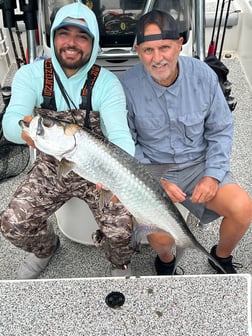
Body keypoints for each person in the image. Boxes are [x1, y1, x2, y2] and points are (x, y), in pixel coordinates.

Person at [0, 2, 136, 279]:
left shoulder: (107, 83)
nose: (71, 43)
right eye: (64, 33)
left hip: (97, 169)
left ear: (93, 42)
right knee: (13, 224)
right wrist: (26, 132)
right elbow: (12, 121)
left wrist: (115, 174)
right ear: (53, 38)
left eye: (82, 36)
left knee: (122, 229)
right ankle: (46, 248)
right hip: (52, 167)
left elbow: (120, 134)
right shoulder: (31, 75)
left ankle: (117, 262)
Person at [120, 10, 252, 275]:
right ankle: (166, 262)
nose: (157, 59)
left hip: (200, 165)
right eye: (148, 50)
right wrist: (156, 182)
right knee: (160, 236)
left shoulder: (203, 75)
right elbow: (126, 142)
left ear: (180, 44)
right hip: (153, 170)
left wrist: (213, 176)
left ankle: (220, 257)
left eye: (165, 48)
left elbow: (221, 130)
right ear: (138, 51)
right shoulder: (126, 85)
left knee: (242, 209)